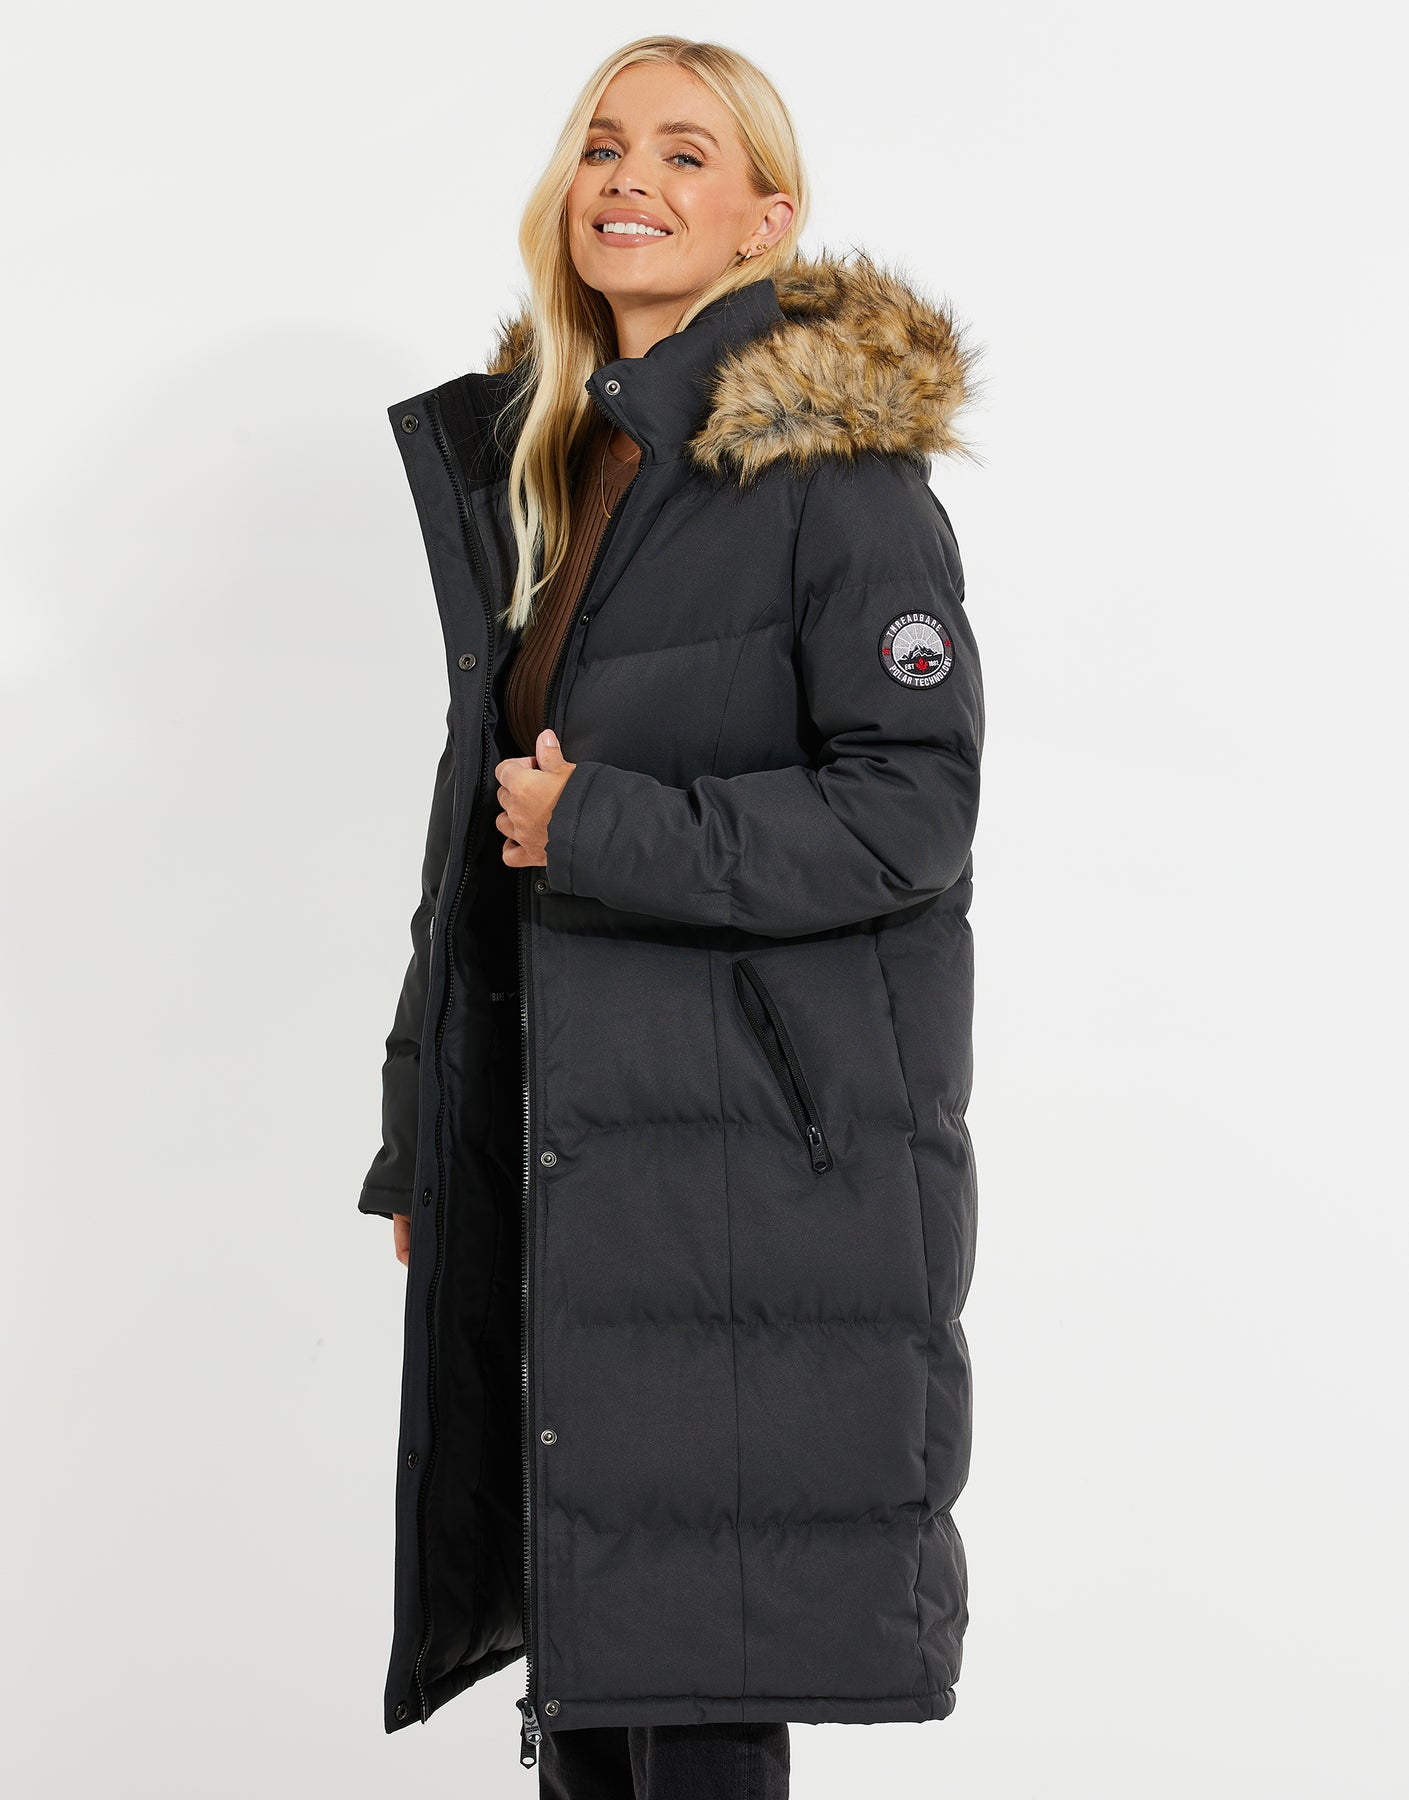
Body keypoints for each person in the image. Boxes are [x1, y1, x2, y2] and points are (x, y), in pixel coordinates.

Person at [358, 34, 986, 1800]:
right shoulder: (561, 466)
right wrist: (422, 1129)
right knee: (599, 1661)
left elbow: (912, 813)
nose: (628, 178)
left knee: (697, 1674)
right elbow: (470, 838)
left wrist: (605, 827)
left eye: (686, 155)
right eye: (604, 145)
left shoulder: (836, 479)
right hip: (576, 1146)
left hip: (748, 1170)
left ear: (764, 220)